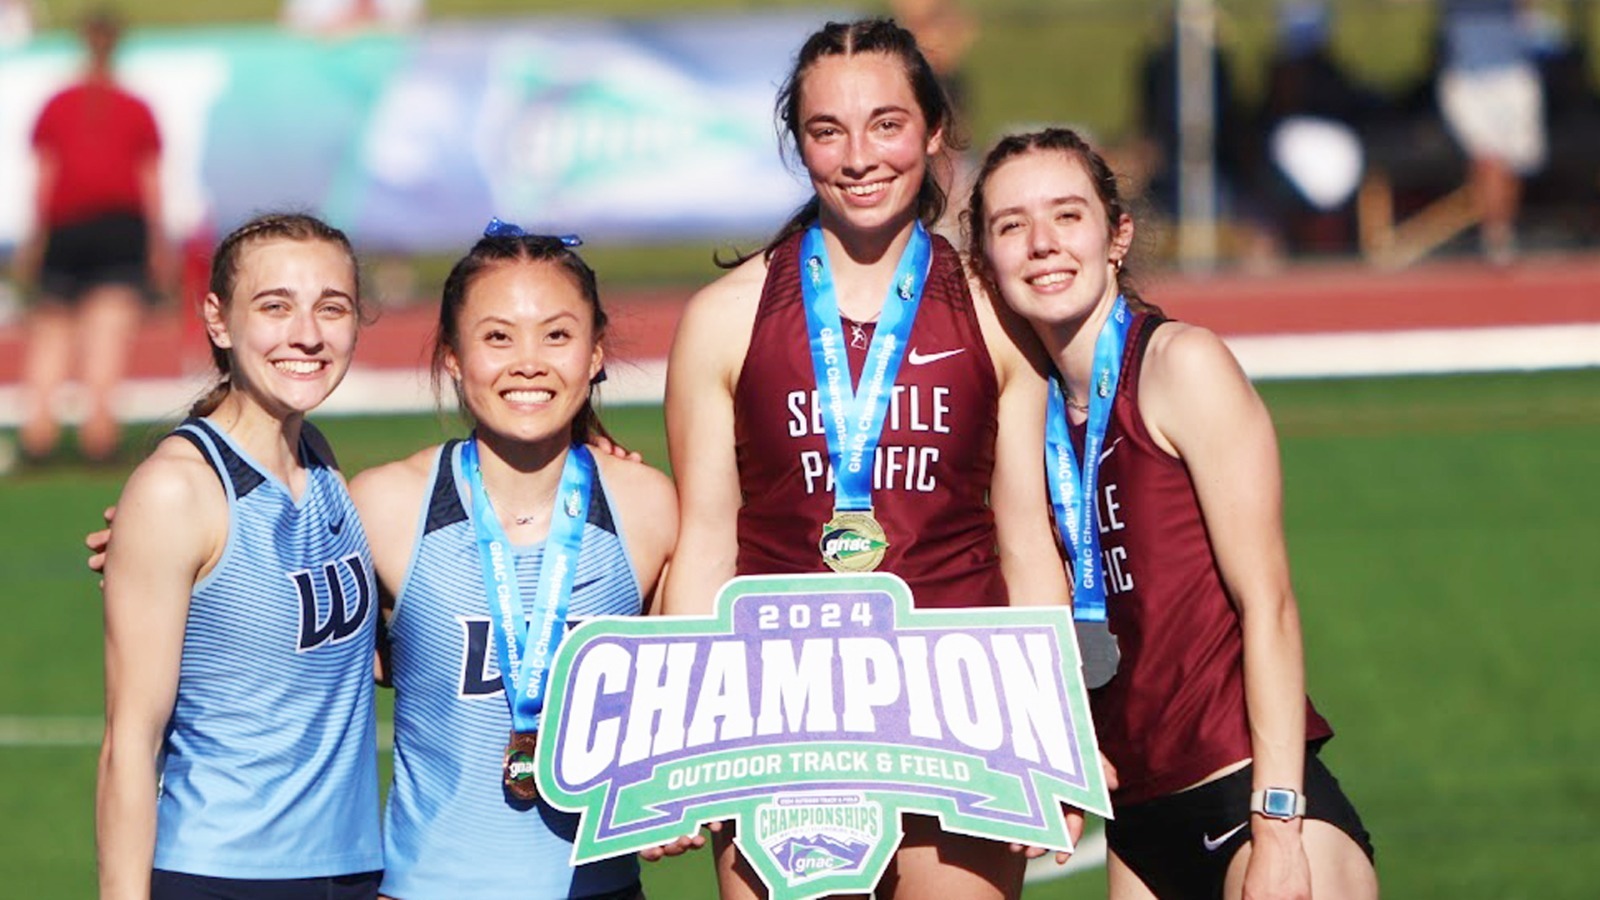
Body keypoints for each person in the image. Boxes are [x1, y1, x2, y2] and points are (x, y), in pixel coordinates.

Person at [661, 17, 1072, 900]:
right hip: (779, 712)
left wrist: (1058, 734)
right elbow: (703, 542)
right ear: (797, 145)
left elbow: (1027, 541)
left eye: (886, 124)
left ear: (933, 134)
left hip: (963, 711)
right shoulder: (725, 318)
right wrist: (678, 747)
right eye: (826, 131)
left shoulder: (997, 313)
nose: (859, 157)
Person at [964, 126, 1379, 900]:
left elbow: (1271, 605)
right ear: (986, 260)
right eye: (1011, 226)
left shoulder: (1181, 366)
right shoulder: (1026, 413)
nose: (1042, 244)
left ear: (1116, 236)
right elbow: (1038, 605)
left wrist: (1279, 826)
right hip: (1140, 821)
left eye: (1067, 216)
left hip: (1250, 798)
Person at [349, 224, 676, 900]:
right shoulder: (382, 504)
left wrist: (668, 799)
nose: (528, 361)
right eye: (497, 337)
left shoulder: (649, 507)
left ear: (595, 354)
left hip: (599, 888)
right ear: (452, 357)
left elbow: (692, 695)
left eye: (556, 336)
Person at [96, 213, 382, 899]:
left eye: (331, 307)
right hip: (225, 873)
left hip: (347, 867)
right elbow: (129, 746)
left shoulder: (318, 462)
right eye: (275, 306)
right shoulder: (178, 489)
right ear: (218, 321)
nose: (307, 334)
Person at [13, 8, 168, 463]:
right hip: (120, 229)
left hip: (67, 228)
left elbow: (46, 177)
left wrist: (36, 239)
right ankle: (99, 437)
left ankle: (37, 438)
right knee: (107, 335)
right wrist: (158, 244)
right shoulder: (135, 107)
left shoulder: (58, 104)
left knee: (51, 334)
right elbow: (149, 181)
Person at [1434, 0, 1545, 264]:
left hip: (1512, 77)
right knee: (1489, 159)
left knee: (1512, 164)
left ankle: (1500, 230)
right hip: (1468, 79)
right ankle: (1496, 236)